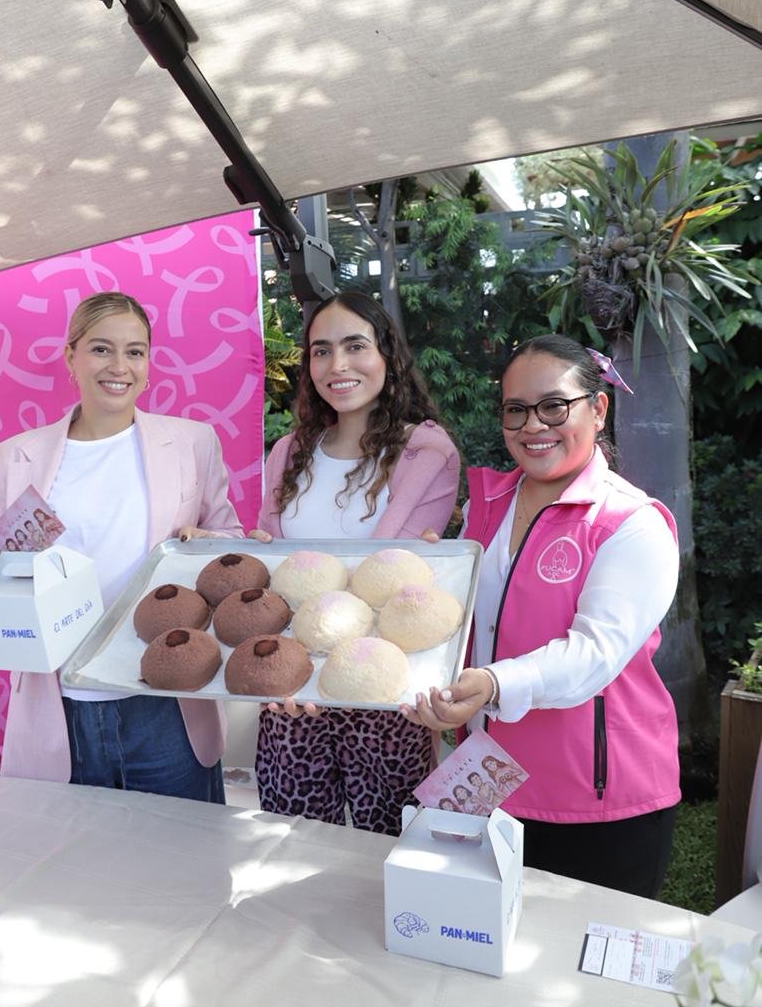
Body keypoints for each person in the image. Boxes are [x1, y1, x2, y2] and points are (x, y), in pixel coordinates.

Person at [404, 334, 680, 897]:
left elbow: (593, 655)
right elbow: (468, 627)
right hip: (489, 784)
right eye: (516, 410)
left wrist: (492, 682)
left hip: (598, 797)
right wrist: (431, 582)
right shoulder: (486, 506)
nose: (534, 425)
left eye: (555, 405)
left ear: (598, 409)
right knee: (481, 953)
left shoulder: (632, 523)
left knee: (580, 971)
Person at [0, 291, 242, 800]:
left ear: (149, 363)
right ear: (70, 356)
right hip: (60, 701)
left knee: (181, 870)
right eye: (100, 349)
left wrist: (207, 544)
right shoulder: (11, 459)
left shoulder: (192, 443)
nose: (120, 366)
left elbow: (230, 544)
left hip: (165, 696)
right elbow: (6, 569)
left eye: (135, 351)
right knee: (73, 872)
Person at [251, 291, 459, 834]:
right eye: (321, 350)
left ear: (387, 355)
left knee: (388, 844)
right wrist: (290, 674)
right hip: (292, 690)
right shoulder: (288, 453)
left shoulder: (426, 452)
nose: (336, 365)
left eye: (355, 346)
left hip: (384, 689)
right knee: (290, 839)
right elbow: (271, 565)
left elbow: (400, 584)